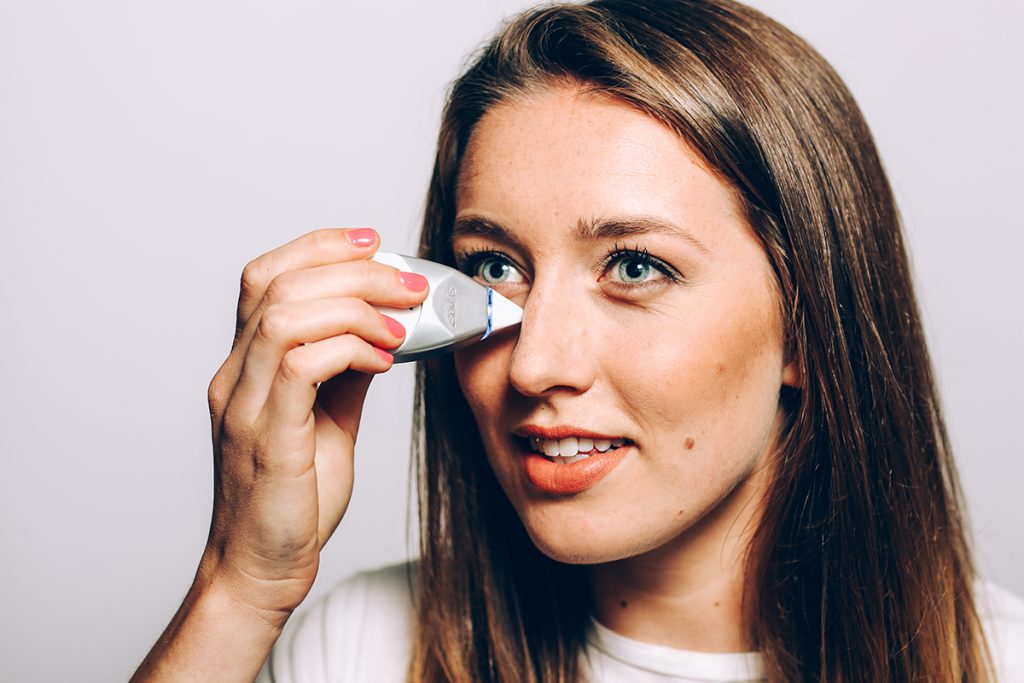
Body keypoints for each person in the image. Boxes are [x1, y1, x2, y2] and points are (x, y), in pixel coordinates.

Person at [132, 1, 1024, 681]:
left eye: (634, 267)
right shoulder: (364, 650)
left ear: (808, 329)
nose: (535, 363)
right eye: (495, 268)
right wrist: (240, 588)